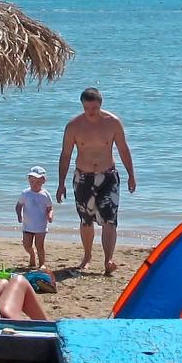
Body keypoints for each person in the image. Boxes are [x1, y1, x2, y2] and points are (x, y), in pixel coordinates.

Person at [57, 87, 135, 275]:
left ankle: (108, 259)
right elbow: (66, 155)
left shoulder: (112, 123)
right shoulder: (74, 126)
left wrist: (131, 175)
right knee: (86, 220)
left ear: (100, 104)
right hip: (83, 177)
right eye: (86, 108)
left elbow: (123, 149)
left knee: (110, 220)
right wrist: (61, 183)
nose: (90, 112)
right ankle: (87, 256)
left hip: (108, 176)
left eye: (94, 107)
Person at [17, 166, 53, 268]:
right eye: (32, 181)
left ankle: (42, 264)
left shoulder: (45, 194)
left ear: (43, 181)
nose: (34, 185)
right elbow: (19, 205)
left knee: (39, 246)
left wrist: (50, 215)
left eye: (37, 182)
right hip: (27, 224)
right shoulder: (26, 193)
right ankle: (32, 256)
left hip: (41, 225)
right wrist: (19, 215)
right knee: (27, 245)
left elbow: (50, 207)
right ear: (29, 180)